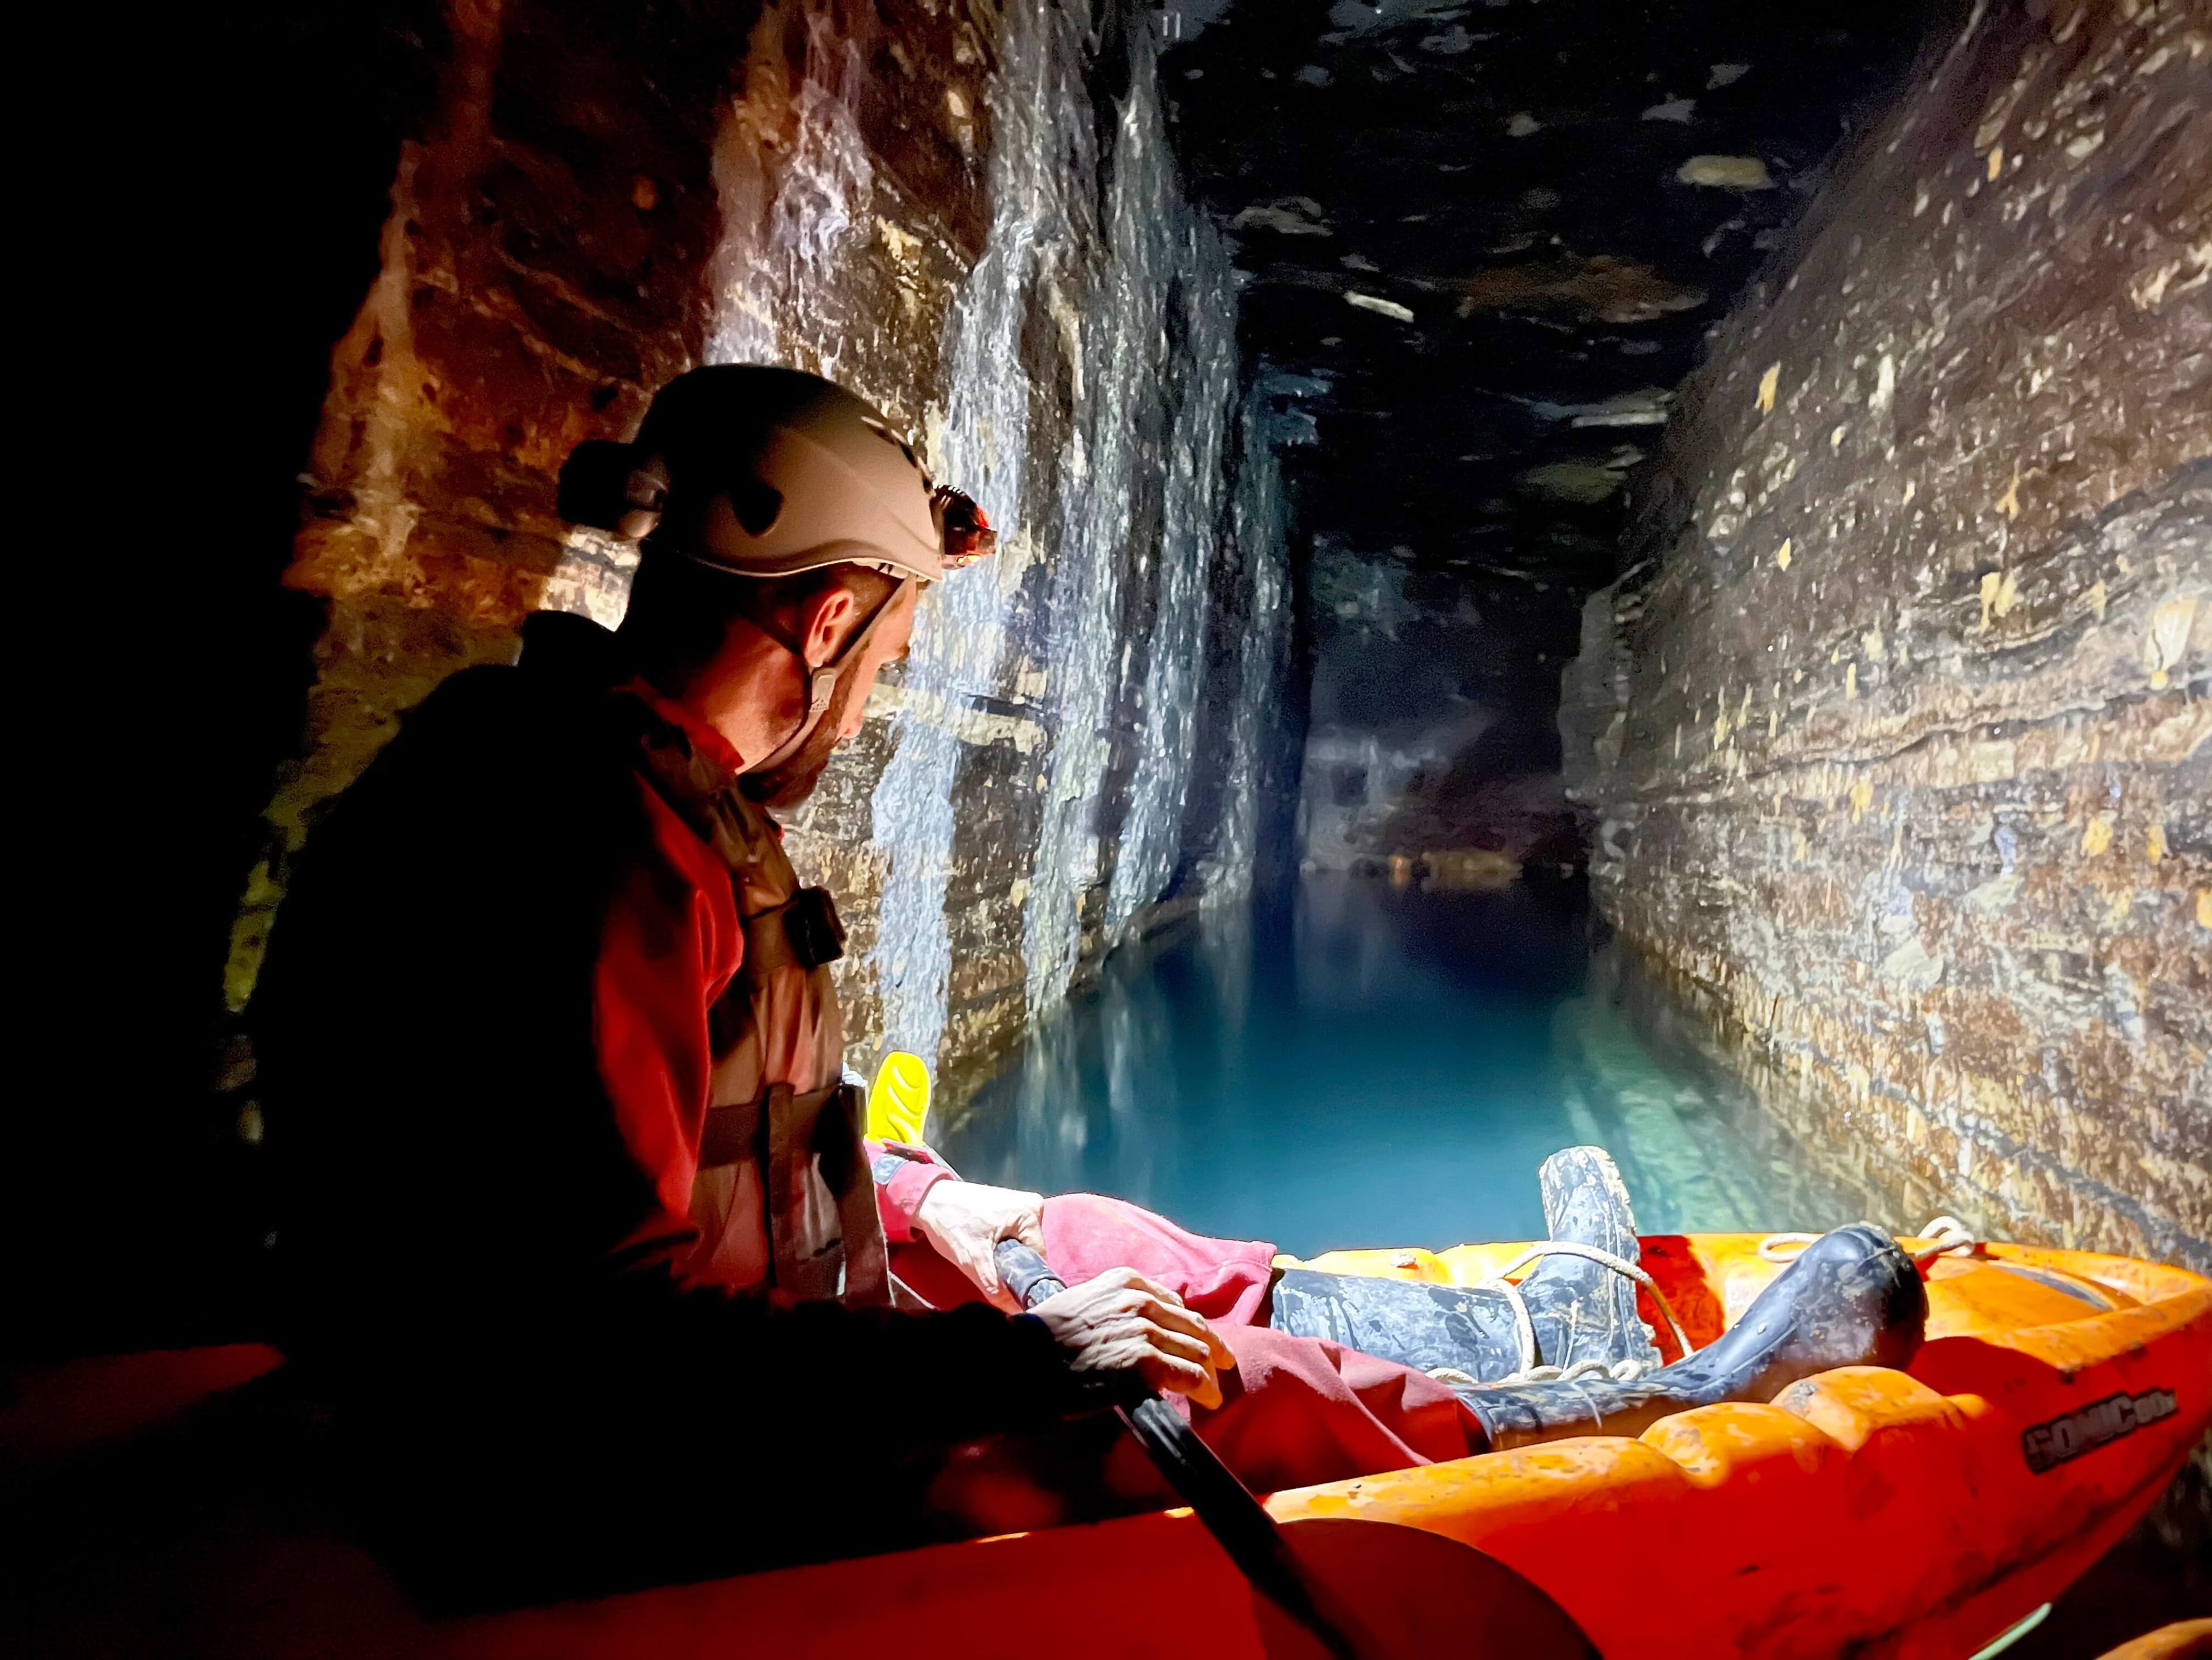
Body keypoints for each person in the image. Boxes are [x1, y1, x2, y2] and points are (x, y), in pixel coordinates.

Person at [254, 365, 1912, 1606]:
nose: (875, 690)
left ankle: (1521, 1321)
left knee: (1086, 1240)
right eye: (888, 656)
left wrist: (931, 1205)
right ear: (830, 617)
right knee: (1207, 1392)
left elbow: (731, 1131)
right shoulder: (591, 855)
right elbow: (593, 1357)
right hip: (619, 1496)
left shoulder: (621, 787)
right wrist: (1015, 1360)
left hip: (728, 1372)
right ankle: (1646, 1403)